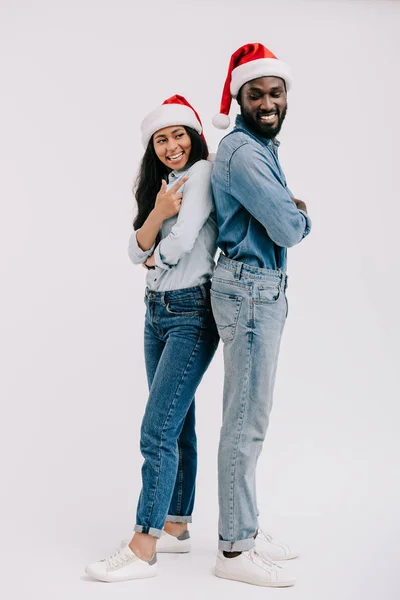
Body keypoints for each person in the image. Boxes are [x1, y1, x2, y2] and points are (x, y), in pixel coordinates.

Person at [85, 95, 219, 582]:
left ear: (195, 137)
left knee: (156, 429)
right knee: (177, 424)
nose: (171, 145)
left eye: (179, 134)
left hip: (190, 311)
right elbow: (131, 245)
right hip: (155, 312)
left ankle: (143, 546)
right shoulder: (161, 188)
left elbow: (178, 244)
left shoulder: (201, 174)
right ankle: (176, 523)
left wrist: (152, 252)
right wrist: (157, 214)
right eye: (161, 139)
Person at [210, 43, 312, 587]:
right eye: (257, 93)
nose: (268, 101)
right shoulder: (245, 153)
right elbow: (287, 226)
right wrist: (299, 212)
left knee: (252, 418)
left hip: (258, 289)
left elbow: (278, 214)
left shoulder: (259, 145)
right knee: (246, 422)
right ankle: (233, 549)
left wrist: (287, 207)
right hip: (250, 290)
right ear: (240, 97)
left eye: (276, 92)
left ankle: (244, 524)